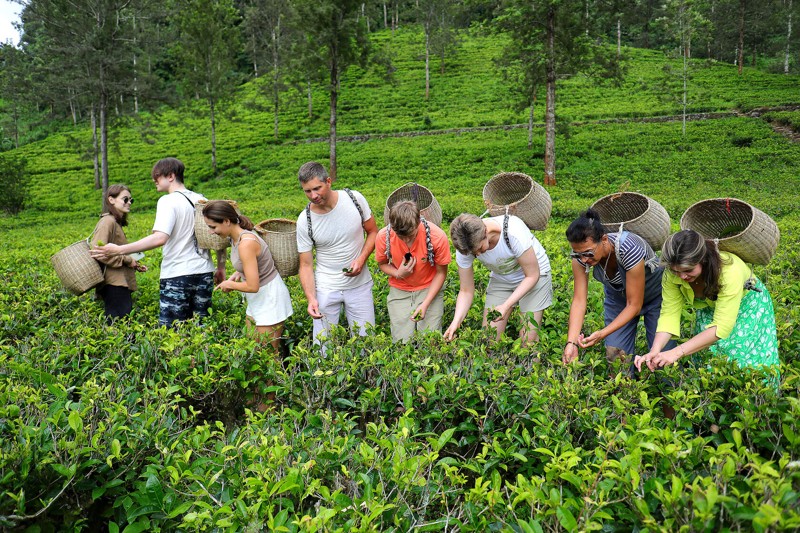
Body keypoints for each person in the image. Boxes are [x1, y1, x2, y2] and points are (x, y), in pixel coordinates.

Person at [91, 158, 226, 327]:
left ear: (170, 176)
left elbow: (160, 238)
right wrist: (221, 268)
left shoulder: (167, 201)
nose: (154, 180)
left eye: (157, 177)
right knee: (200, 328)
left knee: (173, 331)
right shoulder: (202, 200)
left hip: (178, 273)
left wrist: (119, 250)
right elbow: (219, 236)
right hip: (204, 272)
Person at [634, 230, 779, 375]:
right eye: (676, 271)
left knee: (745, 359)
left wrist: (676, 352)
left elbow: (721, 327)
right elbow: (669, 314)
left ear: (703, 260)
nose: (682, 276)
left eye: (688, 270)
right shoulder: (671, 274)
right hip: (710, 307)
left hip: (748, 307)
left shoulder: (729, 272)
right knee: (709, 359)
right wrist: (655, 350)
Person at [562, 209, 673, 367]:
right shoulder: (580, 258)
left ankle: (667, 390)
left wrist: (602, 333)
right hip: (619, 299)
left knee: (662, 357)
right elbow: (579, 301)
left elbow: (634, 305)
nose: (584, 259)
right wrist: (571, 344)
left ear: (604, 239)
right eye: (578, 254)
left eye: (588, 253)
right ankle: (626, 390)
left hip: (655, 297)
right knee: (616, 355)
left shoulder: (629, 248)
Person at [295, 161, 378, 344]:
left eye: (317, 188)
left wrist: (361, 259)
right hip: (326, 288)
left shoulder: (354, 199)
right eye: (307, 191)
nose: (313, 196)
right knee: (323, 346)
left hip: (359, 285)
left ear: (329, 181)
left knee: (367, 343)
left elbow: (373, 232)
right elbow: (306, 265)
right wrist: (311, 298)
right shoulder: (305, 220)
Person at [444, 212, 552, 346]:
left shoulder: (513, 232)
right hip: (502, 277)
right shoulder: (465, 245)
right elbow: (466, 290)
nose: (477, 254)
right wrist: (456, 322)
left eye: (479, 249)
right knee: (489, 337)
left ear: (486, 232)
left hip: (534, 275)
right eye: (473, 253)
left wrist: (506, 306)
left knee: (528, 340)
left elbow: (532, 275)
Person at [202, 201, 292, 352]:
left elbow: (252, 286)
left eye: (213, 227)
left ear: (226, 221)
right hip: (257, 299)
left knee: (268, 355)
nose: (211, 231)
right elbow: (252, 263)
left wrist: (228, 285)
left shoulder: (246, 243)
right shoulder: (235, 237)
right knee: (253, 351)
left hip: (270, 298)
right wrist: (237, 274)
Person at [375, 200, 451, 342]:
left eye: (410, 235)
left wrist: (426, 303)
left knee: (430, 340)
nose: (406, 240)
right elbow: (382, 263)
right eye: (401, 236)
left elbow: (441, 273)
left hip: (429, 288)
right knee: (401, 340)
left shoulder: (437, 237)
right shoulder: (383, 236)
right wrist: (398, 273)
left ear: (418, 222)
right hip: (400, 290)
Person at [90, 184, 147, 321]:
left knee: (122, 323)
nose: (129, 203)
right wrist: (127, 260)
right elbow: (97, 252)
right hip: (114, 283)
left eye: (131, 200)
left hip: (120, 282)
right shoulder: (107, 222)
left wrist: (133, 263)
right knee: (118, 325)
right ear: (111, 200)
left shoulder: (115, 222)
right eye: (125, 199)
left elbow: (115, 252)